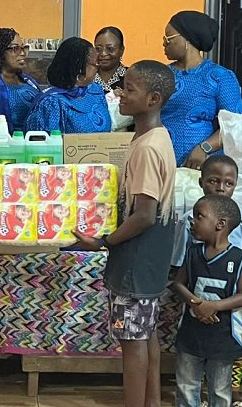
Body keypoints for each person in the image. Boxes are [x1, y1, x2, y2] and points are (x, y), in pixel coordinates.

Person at [72, 60, 177, 407]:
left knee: (132, 341)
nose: (119, 93)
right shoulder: (154, 136)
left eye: (129, 89)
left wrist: (104, 241)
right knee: (146, 336)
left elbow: (144, 214)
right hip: (149, 256)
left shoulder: (147, 148)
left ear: (154, 99)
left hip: (137, 256)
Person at [170, 154, 242, 407]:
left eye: (228, 183)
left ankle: (235, 392)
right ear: (201, 182)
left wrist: (216, 306)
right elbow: (179, 271)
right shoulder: (191, 223)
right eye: (213, 181)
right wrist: (198, 305)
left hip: (227, 317)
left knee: (221, 380)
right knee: (188, 378)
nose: (221, 188)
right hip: (192, 315)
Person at [161, 10, 242, 168]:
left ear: (187, 38)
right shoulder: (163, 74)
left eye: (168, 37)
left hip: (200, 165)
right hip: (160, 160)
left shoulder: (219, 77)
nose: (164, 43)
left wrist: (204, 148)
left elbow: (235, 125)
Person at [24, 37, 111, 133]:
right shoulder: (52, 103)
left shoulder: (95, 90)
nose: (98, 68)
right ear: (79, 68)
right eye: (95, 64)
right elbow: (45, 144)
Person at [0, 28, 41, 134]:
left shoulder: (30, 83)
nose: (22, 53)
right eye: (15, 48)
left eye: (24, 48)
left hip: (34, 143)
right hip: (2, 144)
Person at [93, 26, 128, 92]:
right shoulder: (86, 77)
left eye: (110, 49)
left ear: (121, 50)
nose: (103, 54)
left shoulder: (130, 77)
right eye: (98, 49)